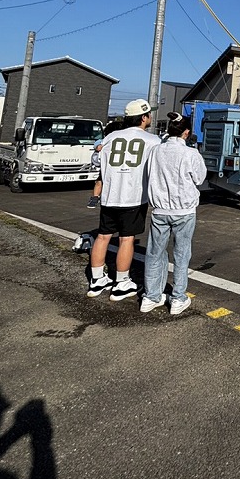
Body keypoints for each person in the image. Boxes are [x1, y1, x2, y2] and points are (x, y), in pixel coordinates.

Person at [86, 99, 160, 301]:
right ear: (143, 117)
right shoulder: (152, 140)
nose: (150, 117)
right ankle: (121, 282)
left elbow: (96, 160)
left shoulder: (111, 137)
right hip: (133, 197)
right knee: (126, 239)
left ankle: (96, 279)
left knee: (103, 236)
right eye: (149, 114)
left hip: (109, 196)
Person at [141, 113, 208, 317]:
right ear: (186, 132)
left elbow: (148, 175)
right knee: (181, 253)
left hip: (159, 209)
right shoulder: (190, 153)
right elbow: (200, 178)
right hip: (184, 210)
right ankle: (178, 297)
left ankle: (151, 296)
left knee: (154, 252)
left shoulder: (155, 151)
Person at [86, 116, 124, 209]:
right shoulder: (105, 140)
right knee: (99, 181)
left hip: (114, 166)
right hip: (106, 166)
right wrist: (98, 146)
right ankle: (95, 197)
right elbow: (98, 144)